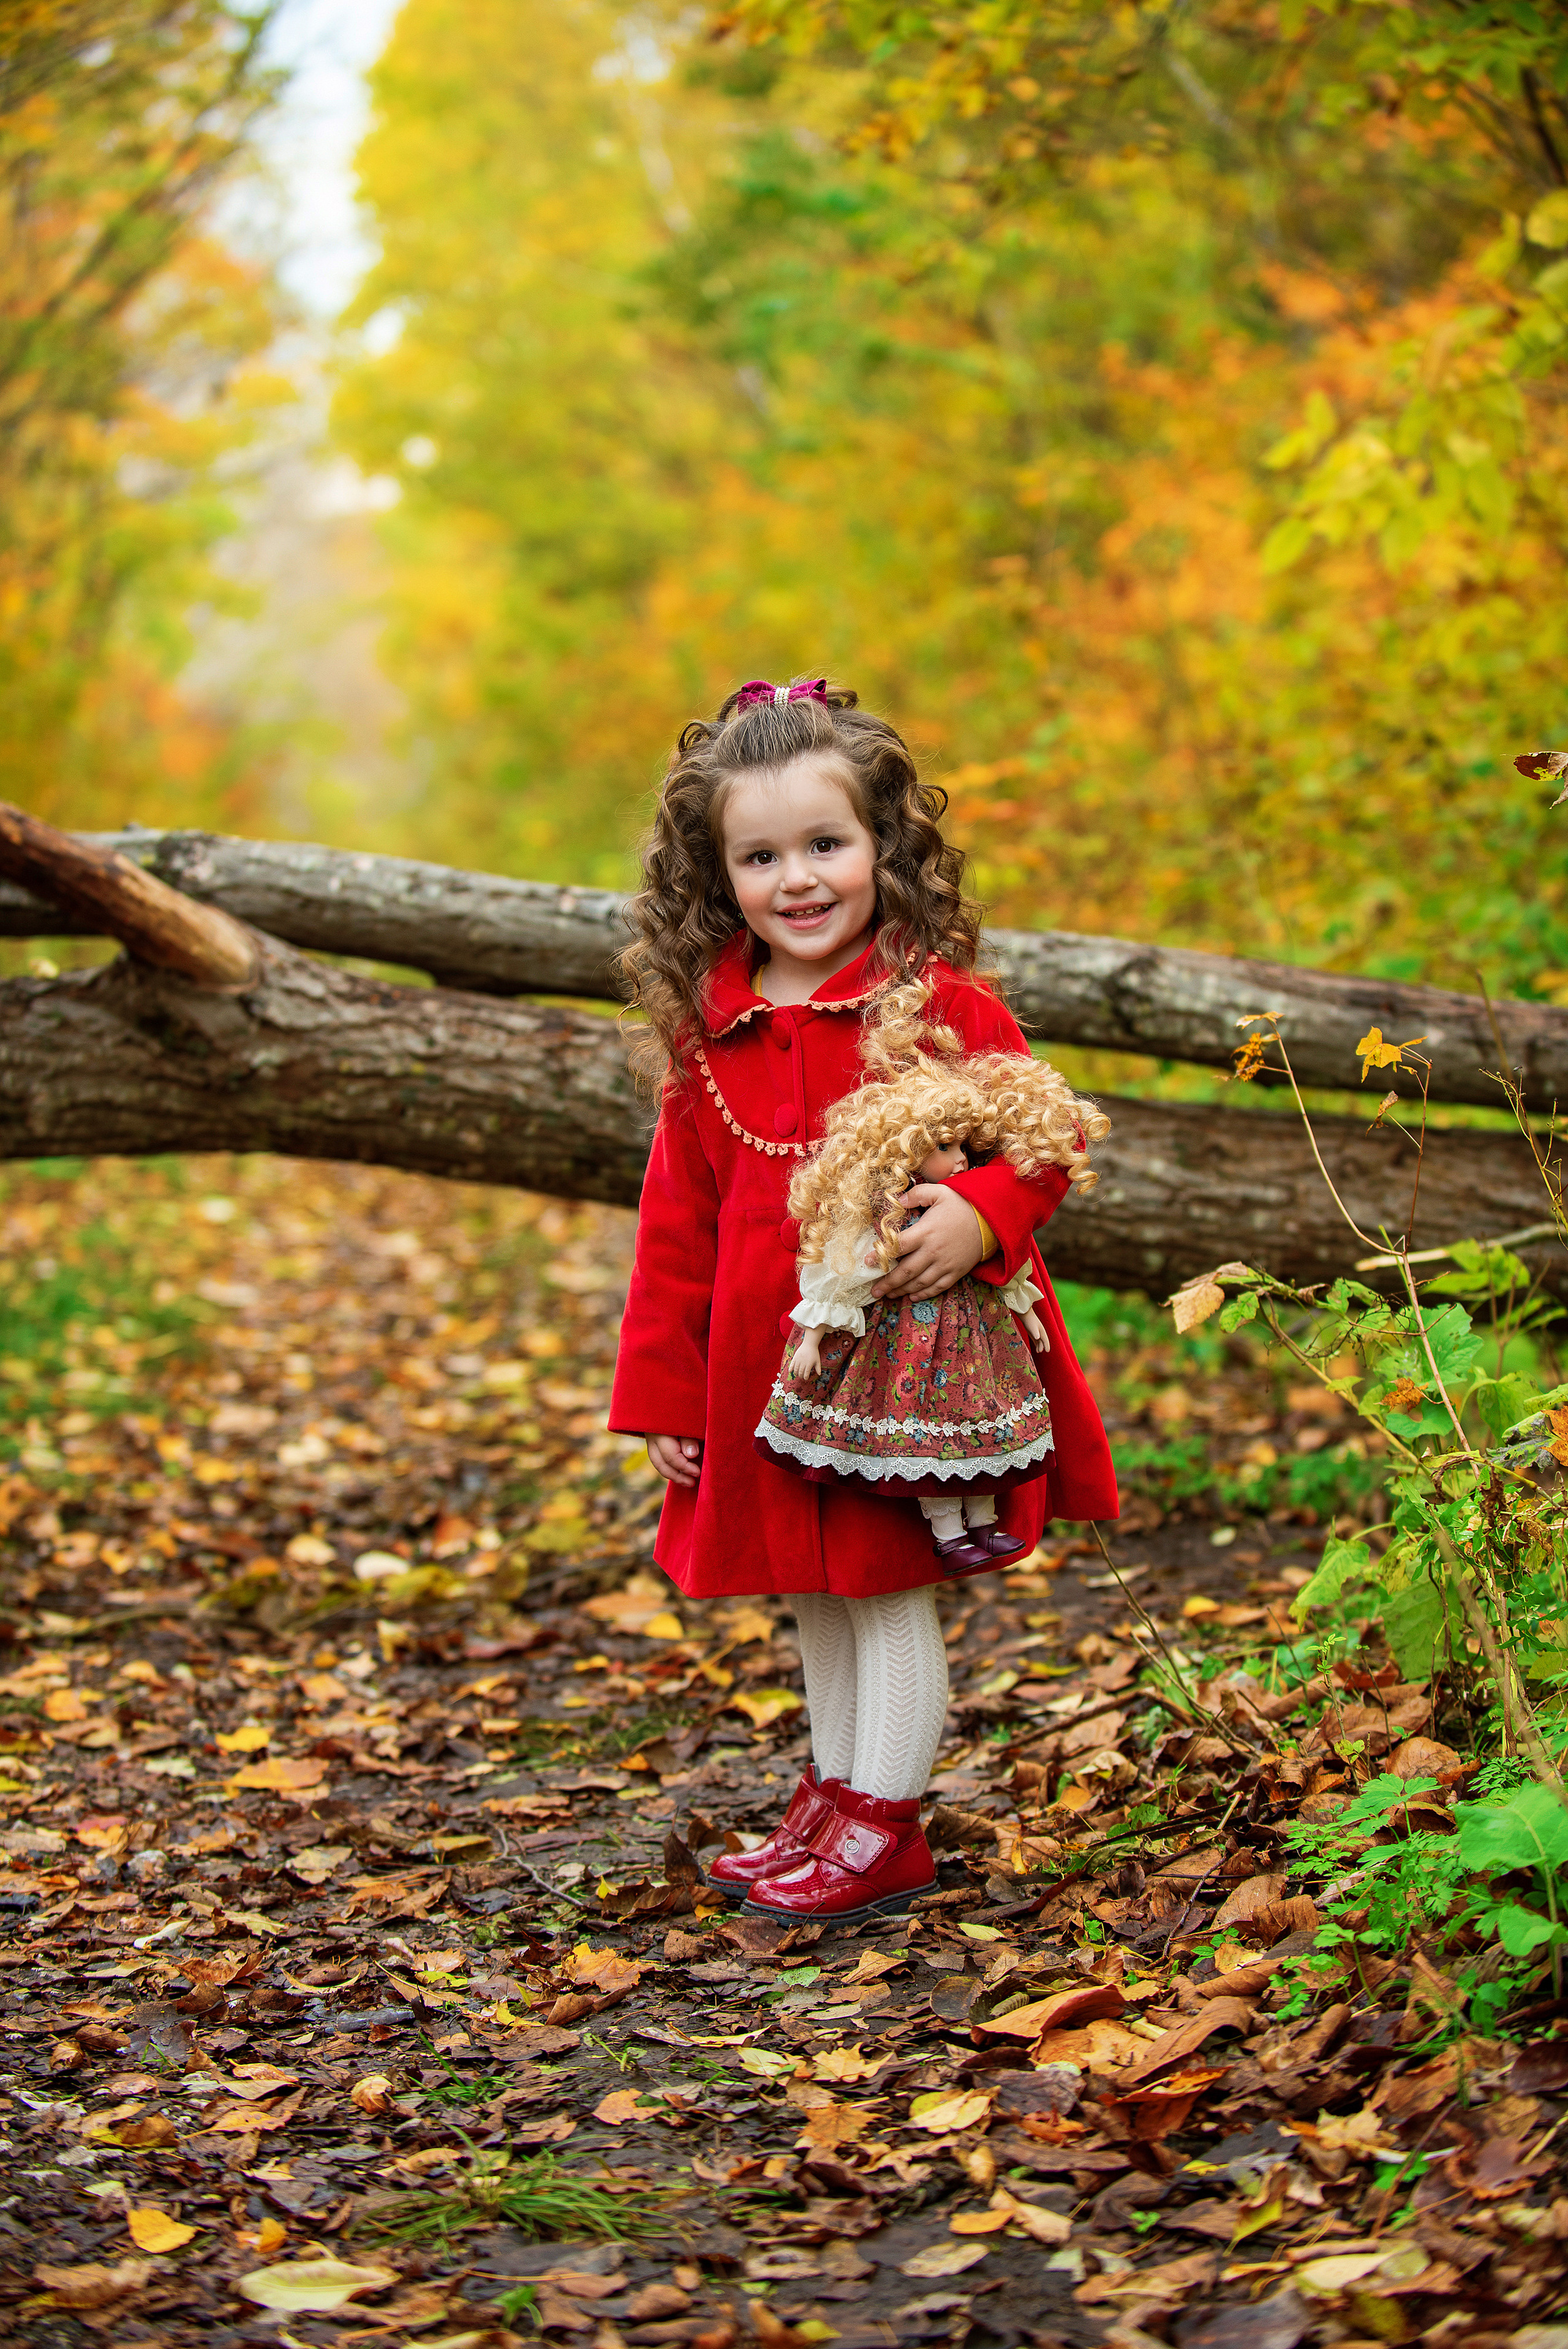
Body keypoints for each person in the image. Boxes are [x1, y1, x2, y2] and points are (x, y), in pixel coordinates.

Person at [609, 677, 1118, 1924]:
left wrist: (980, 1215)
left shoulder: (936, 1009)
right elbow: (671, 1227)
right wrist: (663, 1390)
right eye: (759, 854)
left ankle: (882, 1826)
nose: (796, 878)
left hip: (903, 1374)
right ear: (712, 874)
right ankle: (833, 1796)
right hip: (759, 1372)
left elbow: (1042, 1142)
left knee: (883, 1583)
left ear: (882, 850)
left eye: (824, 844)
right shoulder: (708, 1033)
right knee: (809, 1587)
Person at [758, 1038, 1109, 1567]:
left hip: (975, 1347)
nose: (962, 1158)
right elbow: (845, 1276)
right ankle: (950, 1532)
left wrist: (1025, 1303)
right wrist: (812, 1336)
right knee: (925, 1445)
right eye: (946, 1148)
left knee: (976, 1434)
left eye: (961, 1148)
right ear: (908, 1150)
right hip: (905, 1360)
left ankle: (985, 1524)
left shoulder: (956, 996)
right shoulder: (887, 1218)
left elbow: (1015, 1262)